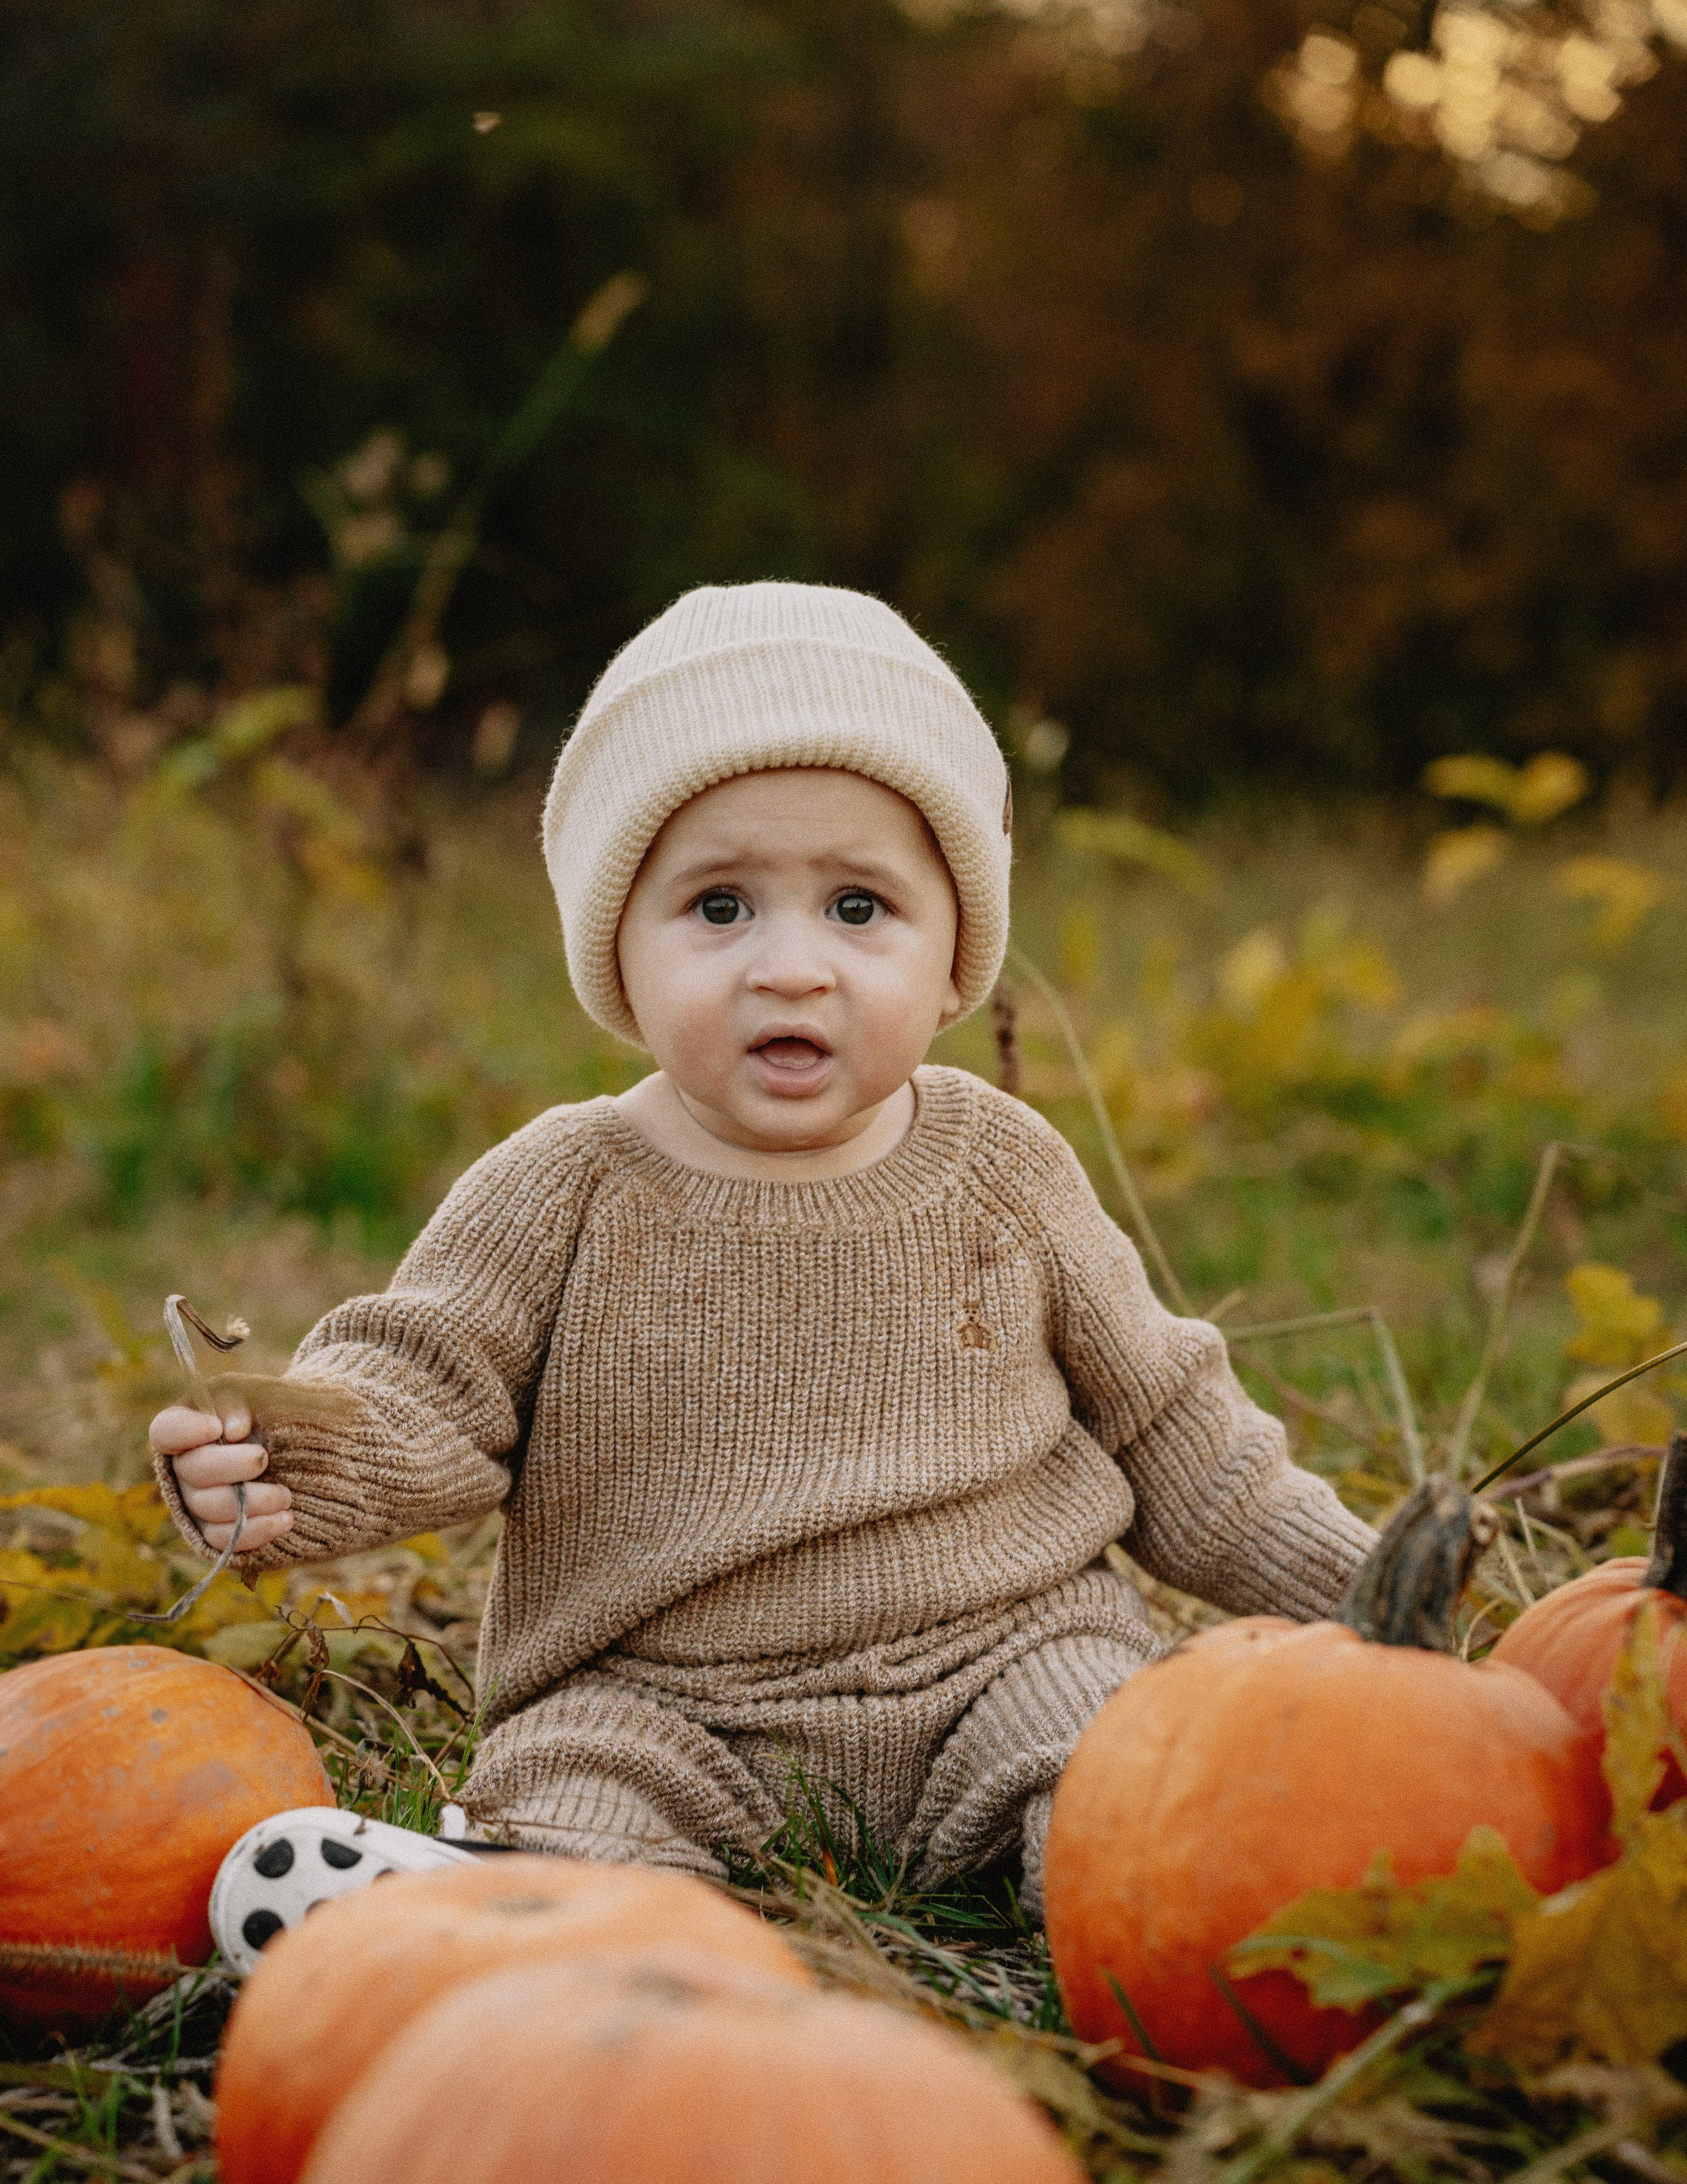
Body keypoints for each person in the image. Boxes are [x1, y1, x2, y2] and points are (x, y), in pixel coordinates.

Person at [152, 582, 1377, 1963]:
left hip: (1003, 1661)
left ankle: (1195, 1918)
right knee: (577, 1805)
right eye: (718, 906)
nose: (790, 969)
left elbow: (1178, 1438)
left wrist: (1378, 1599)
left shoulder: (1003, 1170)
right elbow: (422, 1391)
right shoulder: (565, 1185)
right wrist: (278, 1460)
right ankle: (483, 1922)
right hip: (664, 1698)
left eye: (859, 907)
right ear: (616, 943)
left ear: (952, 950)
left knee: (1114, 1762)